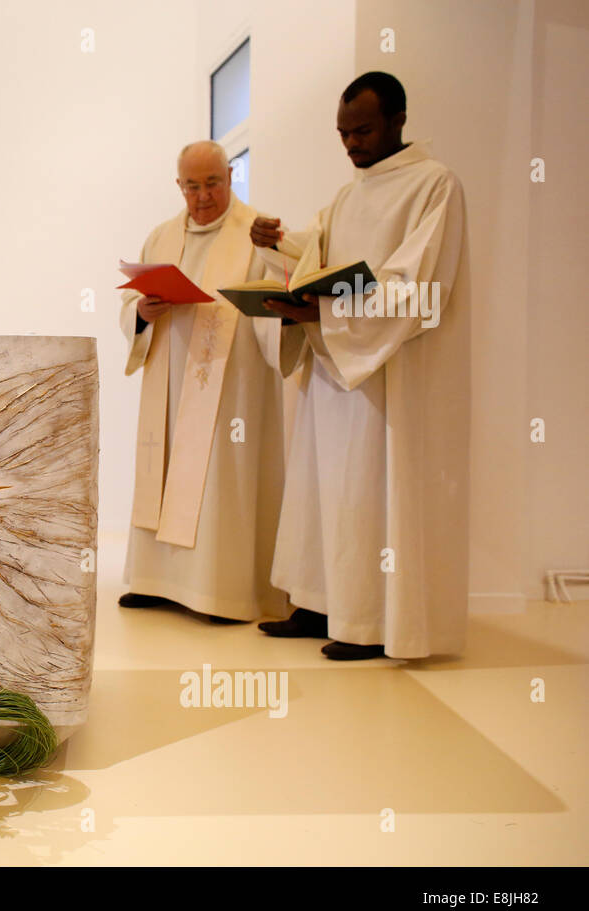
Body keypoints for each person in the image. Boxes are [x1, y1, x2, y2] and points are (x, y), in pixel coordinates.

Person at [250, 71, 470, 660]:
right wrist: (275, 246)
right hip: (335, 363)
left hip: (389, 370)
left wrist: (324, 309)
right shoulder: (349, 193)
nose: (351, 145)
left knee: (372, 491)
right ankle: (321, 604)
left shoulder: (434, 185)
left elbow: (416, 283)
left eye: (362, 130)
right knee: (326, 487)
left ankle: (371, 622)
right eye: (343, 133)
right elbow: (317, 254)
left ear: (398, 119)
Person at [118, 141, 288, 623]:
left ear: (230, 176)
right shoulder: (161, 237)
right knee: (164, 464)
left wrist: (275, 253)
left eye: (212, 182)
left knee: (217, 476)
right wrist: (142, 313)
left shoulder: (254, 233)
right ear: (179, 186)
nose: (203, 195)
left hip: (230, 384)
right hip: (169, 379)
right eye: (192, 186)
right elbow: (131, 306)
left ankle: (220, 591)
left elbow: (275, 299)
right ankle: (155, 581)